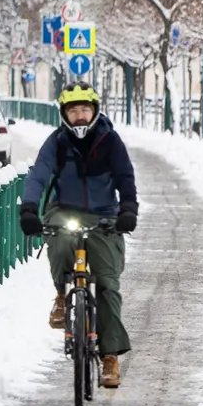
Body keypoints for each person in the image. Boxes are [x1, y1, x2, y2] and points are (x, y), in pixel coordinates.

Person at [18, 83, 139, 388]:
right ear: (65, 115)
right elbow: (39, 175)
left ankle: (110, 357)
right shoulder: (57, 143)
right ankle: (61, 295)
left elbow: (125, 177)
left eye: (85, 110)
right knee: (59, 243)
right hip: (65, 210)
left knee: (109, 284)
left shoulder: (110, 141)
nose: (80, 116)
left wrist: (128, 211)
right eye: (74, 111)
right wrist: (29, 209)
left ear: (95, 111)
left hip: (104, 216)